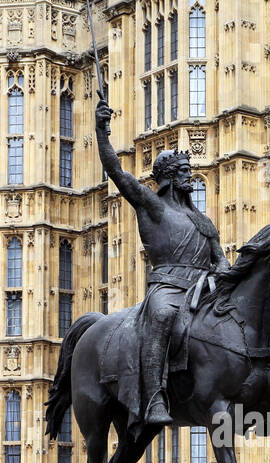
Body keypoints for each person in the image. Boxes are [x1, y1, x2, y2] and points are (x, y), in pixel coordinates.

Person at [95, 96, 230, 429]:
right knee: (162, 316)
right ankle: (154, 396)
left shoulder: (203, 221)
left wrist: (227, 281)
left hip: (202, 290)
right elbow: (116, 171)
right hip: (167, 288)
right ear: (170, 176)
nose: (190, 177)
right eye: (184, 172)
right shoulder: (152, 206)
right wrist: (101, 131)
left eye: (190, 171)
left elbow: (222, 261)